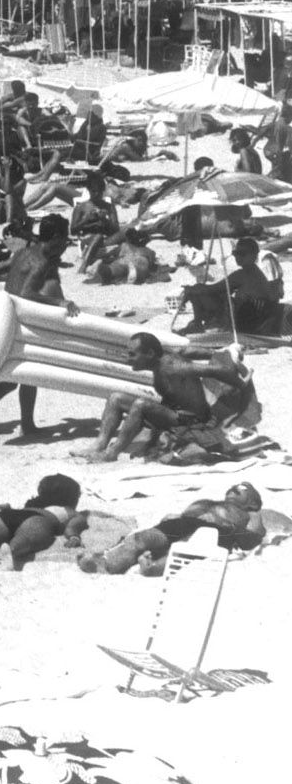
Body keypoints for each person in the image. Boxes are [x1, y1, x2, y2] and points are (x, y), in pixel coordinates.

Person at [0, 214, 75, 446]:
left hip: (6, 318)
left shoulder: (24, 253)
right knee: (10, 380)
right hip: (14, 324)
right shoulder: (40, 262)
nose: (65, 245)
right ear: (57, 238)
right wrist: (59, 303)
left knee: (30, 373)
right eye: (65, 239)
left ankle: (27, 424)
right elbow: (28, 293)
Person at [76, 335, 252, 462]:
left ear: (150, 353)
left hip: (191, 419)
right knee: (115, 398)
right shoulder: (163, 357)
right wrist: (216, 352)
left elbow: (218, 370)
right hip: (173, 410)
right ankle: (99, 445)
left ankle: (112, 453)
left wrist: (241, 384)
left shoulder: (174, 367)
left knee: (140, 405)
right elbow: (186, 350)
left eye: (133, 354)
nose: (128, 360)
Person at [75, 482, 266, 574]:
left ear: (252, 503)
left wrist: (232, 530)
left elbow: (254, 537)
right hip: (182, 523)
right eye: (234, 486)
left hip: (216, 531)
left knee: (185, 547)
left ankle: (154, 568)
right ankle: (106, 565)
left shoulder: (251, 513)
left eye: (242, 490)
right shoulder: (208, 501)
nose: (235, 488)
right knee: (142, 538)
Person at [177, 236, 281, 336]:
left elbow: (213, 289)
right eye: (236, 253)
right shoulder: (255, 272)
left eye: (242, 254)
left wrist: (191, 290)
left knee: (198, 292)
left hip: (249, 321)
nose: (238, 257)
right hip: (256, 319)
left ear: (254, 255)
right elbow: (221, 289)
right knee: (200, 290)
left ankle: (200, 324)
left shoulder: (243, 274)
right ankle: (199, 323)